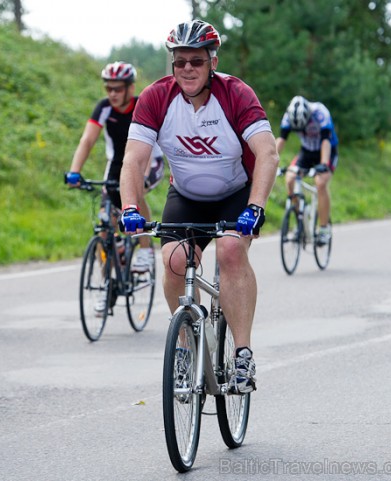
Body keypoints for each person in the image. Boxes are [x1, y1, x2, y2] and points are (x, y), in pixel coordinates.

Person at [119, 20, 279, 394]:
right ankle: (187, 348)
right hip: (187, 196)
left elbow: (267, 153)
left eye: (196, 61)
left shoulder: (235, 94)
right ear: (171, 65)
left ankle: (242, 353)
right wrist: (129, 207)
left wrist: (255, 207)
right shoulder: (156, 98)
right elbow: (132, 161)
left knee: (230, 251)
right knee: (175, 260)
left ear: (212, 62)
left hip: (235, 193)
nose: (187, 69)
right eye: (179, 62)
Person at [65, 61, 165, 274]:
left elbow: (146, 147)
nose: (112, 93)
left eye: (117, 88)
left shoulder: (142, 105)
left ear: (130, 87)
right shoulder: (104, 108)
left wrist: (144, 177)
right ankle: (107, 283)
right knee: (104, 223)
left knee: (136, 193)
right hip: (118, 164)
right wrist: (74, 172)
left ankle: (145, 251)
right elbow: (87, 140)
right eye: (108, 88)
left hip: (148, 161)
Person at [275, 95, 338, 244]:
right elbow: (281, 140)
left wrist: (323, 164)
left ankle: (323, 229)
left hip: (327, 150)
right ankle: (300, 223)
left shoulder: (320, 112)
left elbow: (326, 141)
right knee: (290, 179)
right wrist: (271, 162)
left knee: (320, 182)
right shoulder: (288, 116)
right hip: (307, 151)